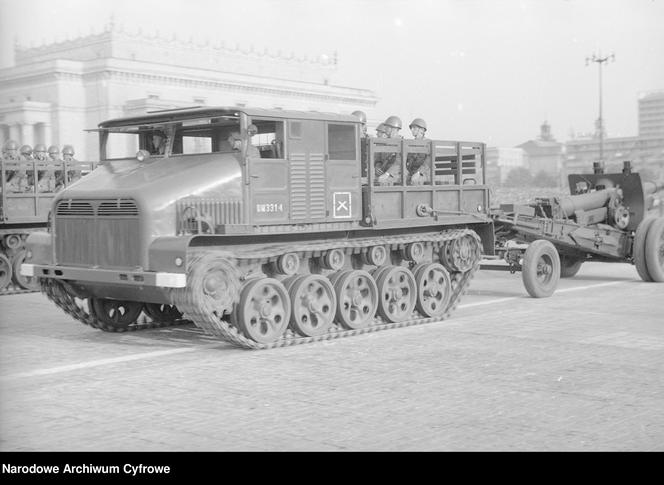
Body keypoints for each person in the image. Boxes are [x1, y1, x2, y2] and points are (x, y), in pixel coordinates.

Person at [375, 116, 403, 185]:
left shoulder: (402, 143)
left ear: (393, 128)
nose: (385, 129)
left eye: (387, 127)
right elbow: (378, 159)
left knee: (382, 180)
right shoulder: (384, 143)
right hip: (384, 172)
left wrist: (388, 173)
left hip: (397, 173)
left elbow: (399, 163)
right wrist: (377, 167)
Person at [406, 118, 430, 185]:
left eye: (414, 128)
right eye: (412, 128)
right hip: (412, 172)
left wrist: (419, 172)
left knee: (414, 180)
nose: (412, 130)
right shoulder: (411, 144)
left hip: (424, 173)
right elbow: (408, 160)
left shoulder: (428, 143)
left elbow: (428, 162)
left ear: (421, 130)